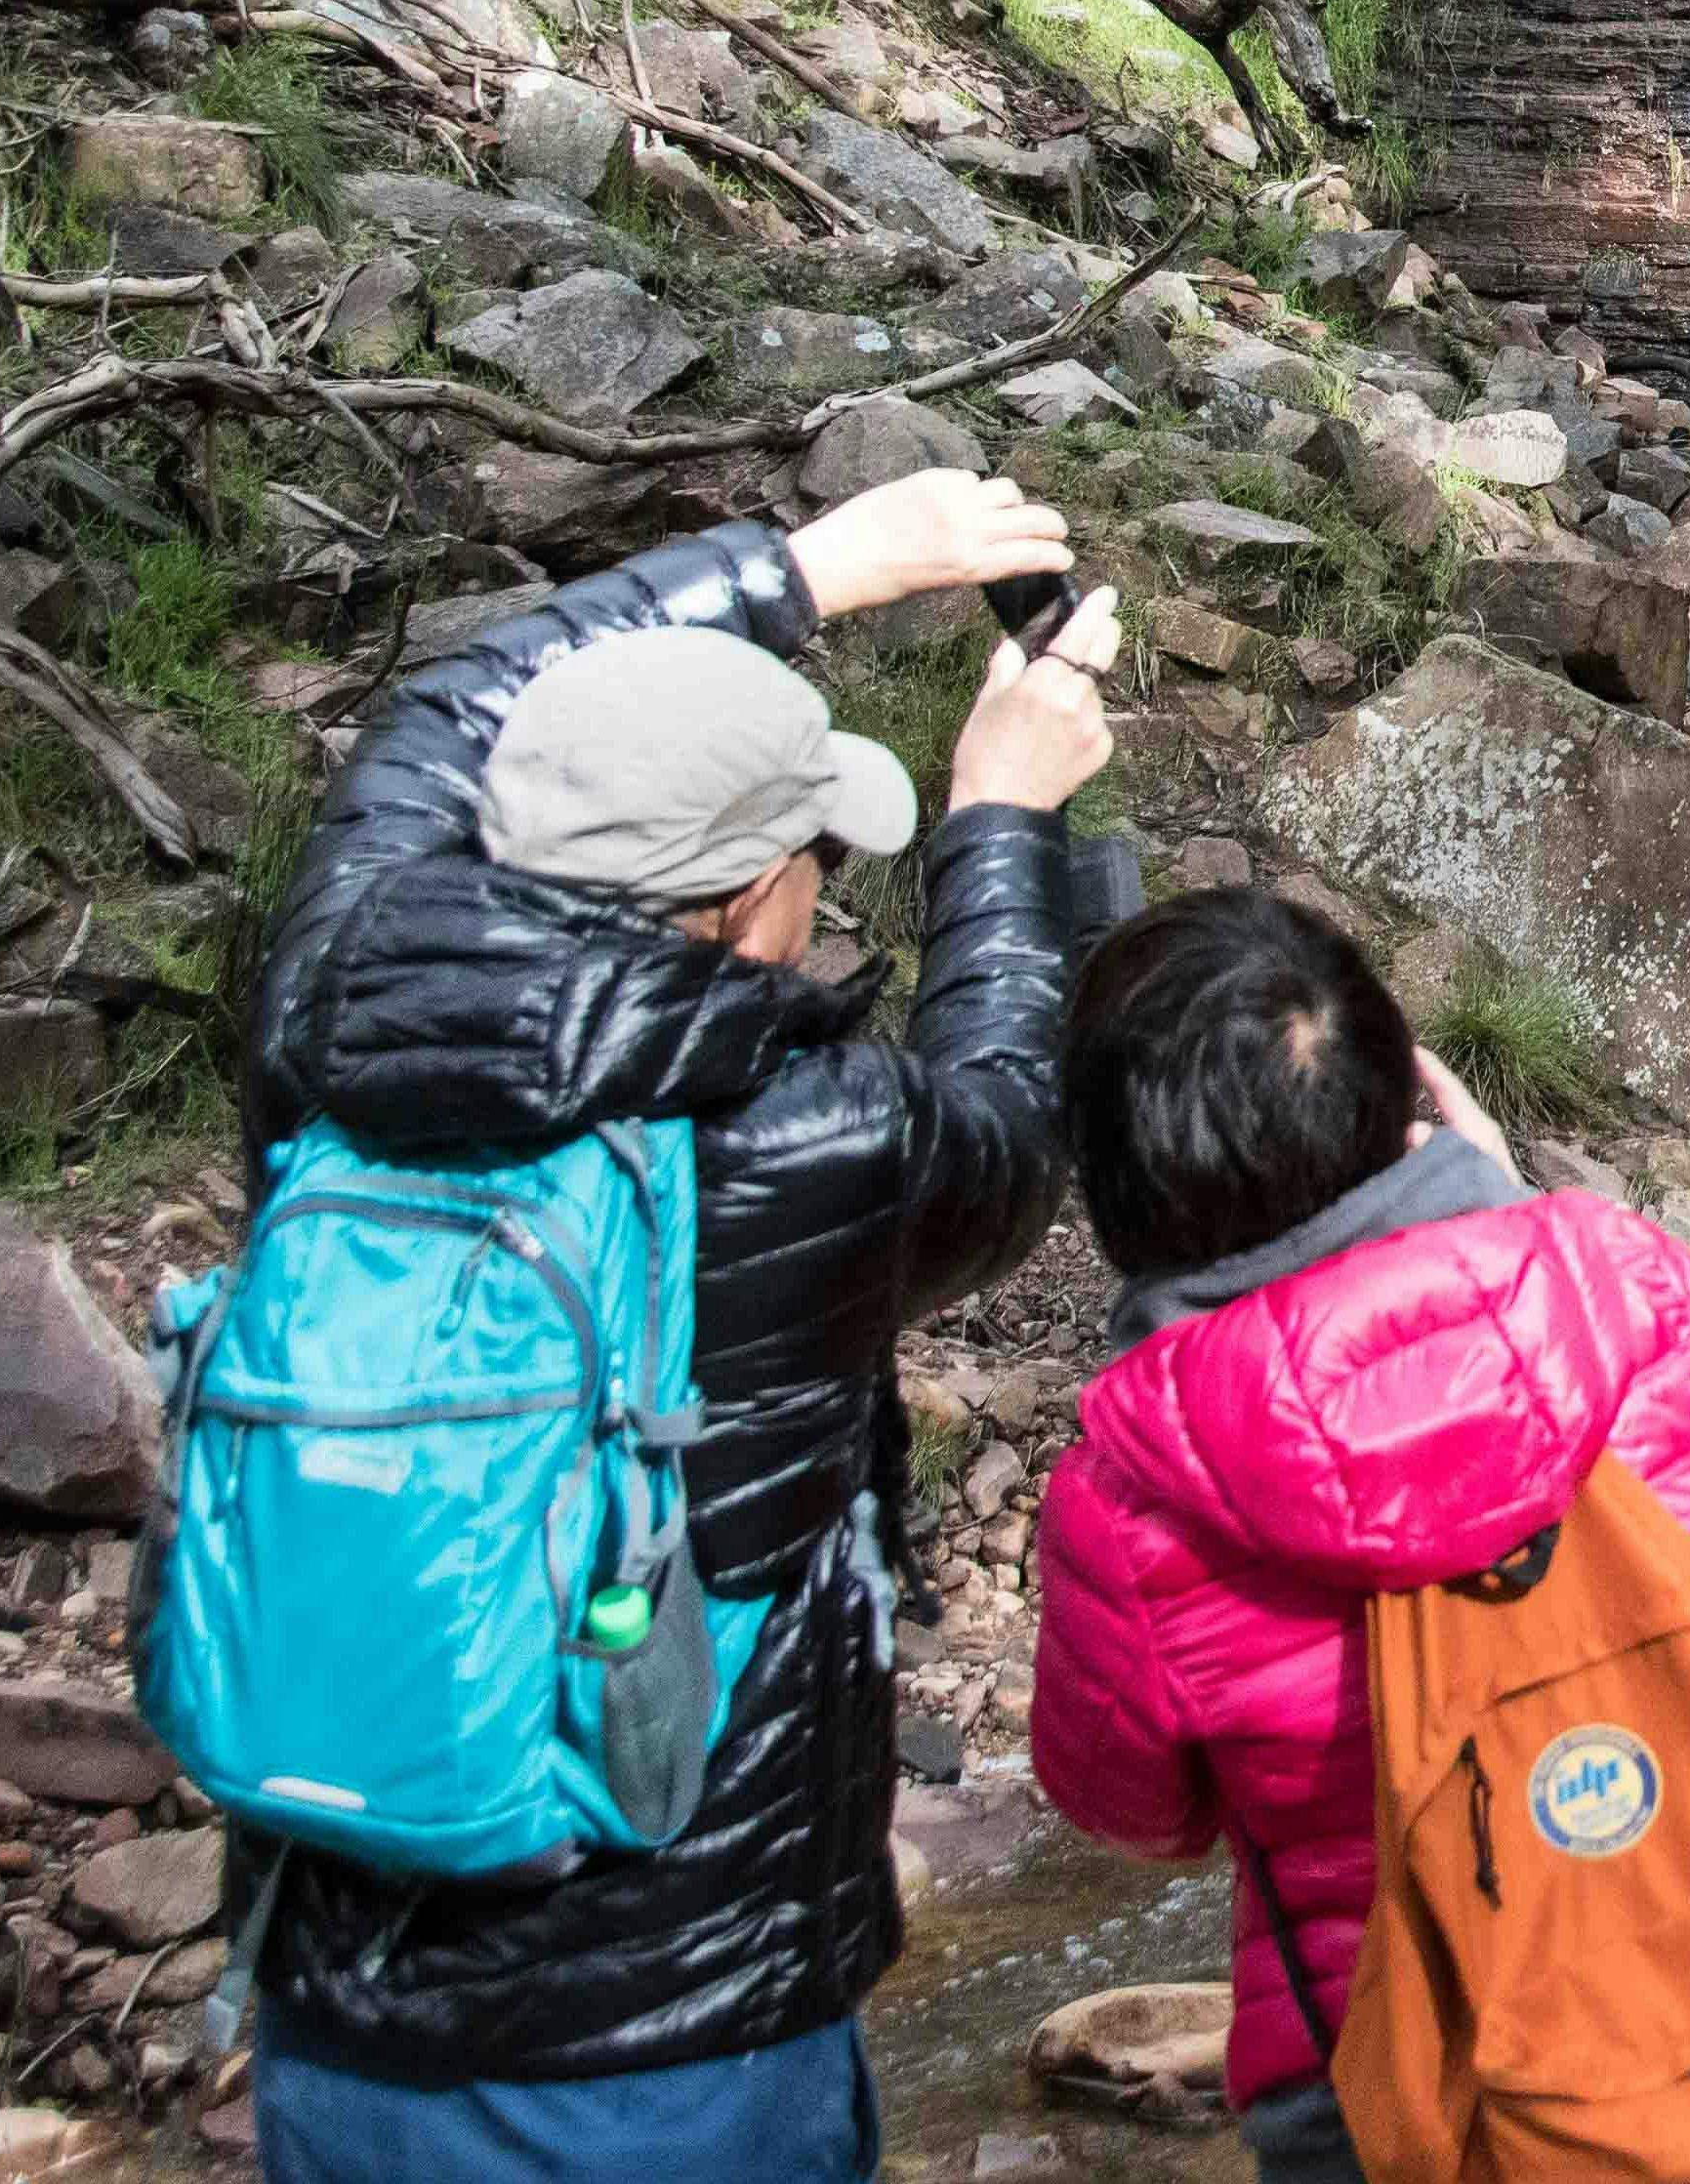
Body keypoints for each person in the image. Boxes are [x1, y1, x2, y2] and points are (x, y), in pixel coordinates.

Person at [233, 466, 1118, 2184]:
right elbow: (1008, 1115)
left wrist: (802, 570)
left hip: (331, 2005)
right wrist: (1002, 816)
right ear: (740, 908)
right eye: (807, 856)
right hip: (676, 2042)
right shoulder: (804, 1138)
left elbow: (441, 715)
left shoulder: (331, 1003)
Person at [1026, 888, 1690, 2184]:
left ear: (1118, 1180)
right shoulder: (1612, 1275)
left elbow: (1134, 1810)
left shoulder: (1129, 1487)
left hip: (1383, 2078)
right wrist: (1499, 1210)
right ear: (1396, 1081)